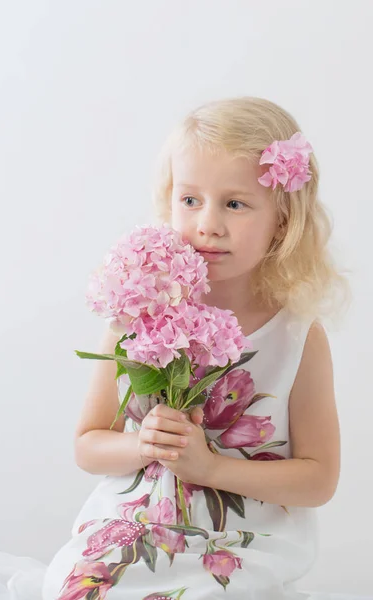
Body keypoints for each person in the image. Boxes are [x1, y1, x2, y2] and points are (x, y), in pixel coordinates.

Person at [42, 96, 350, 600]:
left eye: (235, 203)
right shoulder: (138, 315)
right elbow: (88, 445)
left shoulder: (296, 336)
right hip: (137, 525)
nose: (208, 223)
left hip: (239, 542)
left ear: (283, 219)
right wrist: (144, 446)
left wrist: (211, 469)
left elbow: (318, 481)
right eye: (190, 200)